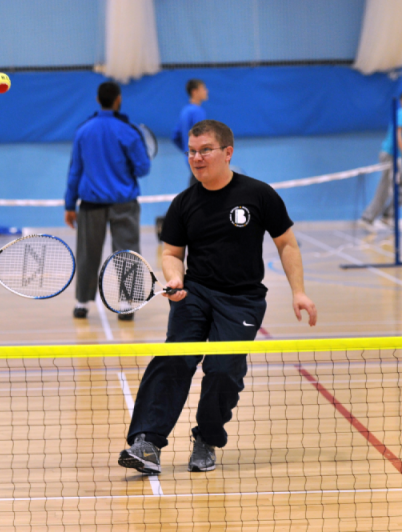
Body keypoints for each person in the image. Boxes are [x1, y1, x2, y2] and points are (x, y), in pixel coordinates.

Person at [118, 120, 317, 475]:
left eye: (205, 150)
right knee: (174, 360)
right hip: (195, 293)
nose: (196, 158)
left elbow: (286, 243)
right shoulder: (183, 204)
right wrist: (175, 278)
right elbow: (171, 253)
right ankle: (146, 443)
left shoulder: (259, 195)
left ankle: (206, 439)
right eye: (192, 152)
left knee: (224, 371)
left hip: (242, 300)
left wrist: (298, 291)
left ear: (227, 152)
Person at [64, 81, 151, 321]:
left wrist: (69, 205)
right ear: (118, 100)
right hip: (124, 203)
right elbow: (143, 168)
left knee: (87, 253)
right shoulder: (129, 131)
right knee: (127, 252)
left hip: (90, 205)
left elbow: (75, 171)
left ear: (97, 99)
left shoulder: (83, 131)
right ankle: (126, 304)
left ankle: (82, 303)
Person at [359, 89, 402, 231]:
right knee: (385, 188)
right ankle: (368, 217)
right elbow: (398, 136)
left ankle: (387, 215)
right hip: (390, 155)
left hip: (396, 157)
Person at [171, 79, 209, 188]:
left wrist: (186, 150)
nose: (206, 91)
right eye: (203, 89)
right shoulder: (197, 111)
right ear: (194, 92)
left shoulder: (185, 111)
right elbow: (201, 137)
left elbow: (175, 136)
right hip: (200, 159)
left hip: (190, 157)